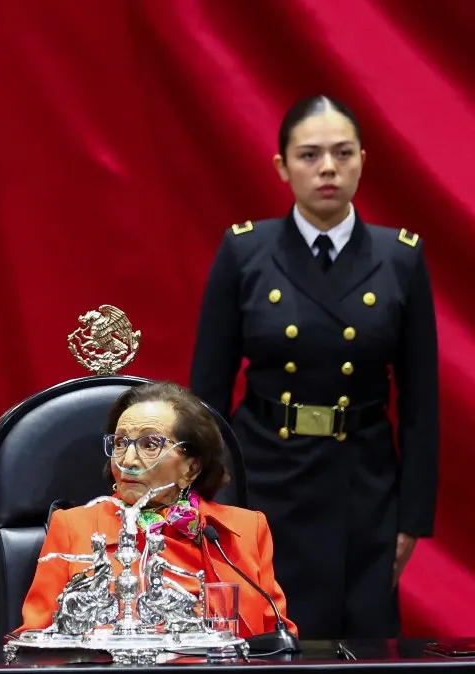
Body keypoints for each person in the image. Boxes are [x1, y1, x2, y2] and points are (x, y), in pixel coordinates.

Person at [188, 95, 439, 640]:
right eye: (309, 155)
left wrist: (412, 519)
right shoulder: (246, 252)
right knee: (267, 639)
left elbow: (421, 403)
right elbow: (206, 390)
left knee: (360, 642)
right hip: (264, 478)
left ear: (363, 160)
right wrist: (202, 495)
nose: (327, 168)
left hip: (363, 485)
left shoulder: (399, 257)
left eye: (342, 153)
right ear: (282, 166)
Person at [18, 382, 297, 639]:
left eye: (150, 444)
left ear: (192, 467)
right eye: (120, 442)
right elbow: (34, 641)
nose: (127, 460)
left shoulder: (245, 530)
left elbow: (277, 642)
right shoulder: (72, 527)